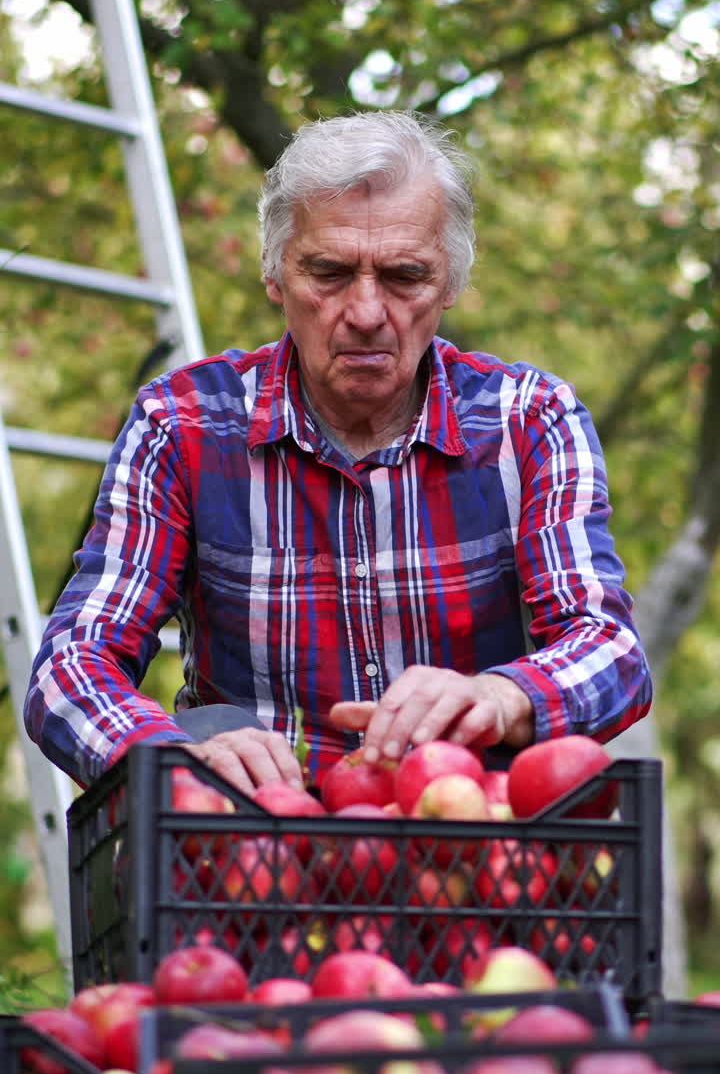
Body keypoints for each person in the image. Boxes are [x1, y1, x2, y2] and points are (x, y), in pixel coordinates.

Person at [24, 110, 652, 798]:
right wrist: (169, 759)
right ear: (275, 275)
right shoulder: (180, 427)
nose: (365, 311)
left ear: (449, 284)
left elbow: (612, 652)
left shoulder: (531, 423)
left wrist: (506, 698)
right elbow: (71, 664)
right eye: (328, 272)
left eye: (405, 276)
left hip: (472, 853)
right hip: (245, 850)